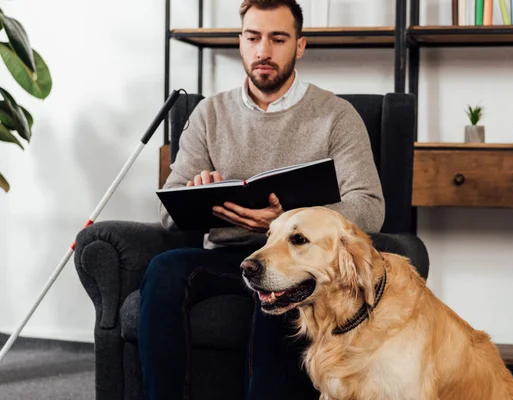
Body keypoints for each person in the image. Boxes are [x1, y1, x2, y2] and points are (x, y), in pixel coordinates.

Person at [137, 0, 385, 399]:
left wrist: (285, 222)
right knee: (164, 269)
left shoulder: (337, 115)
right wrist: (195, 193)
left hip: (299, 261)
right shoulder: (209, 114)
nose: (263, 51)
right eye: (253, 38)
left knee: (282, 291)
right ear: (240, 41)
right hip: (229, 258)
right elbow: (167, 214)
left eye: (277, 38)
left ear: (299, 46)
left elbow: (370, 206)